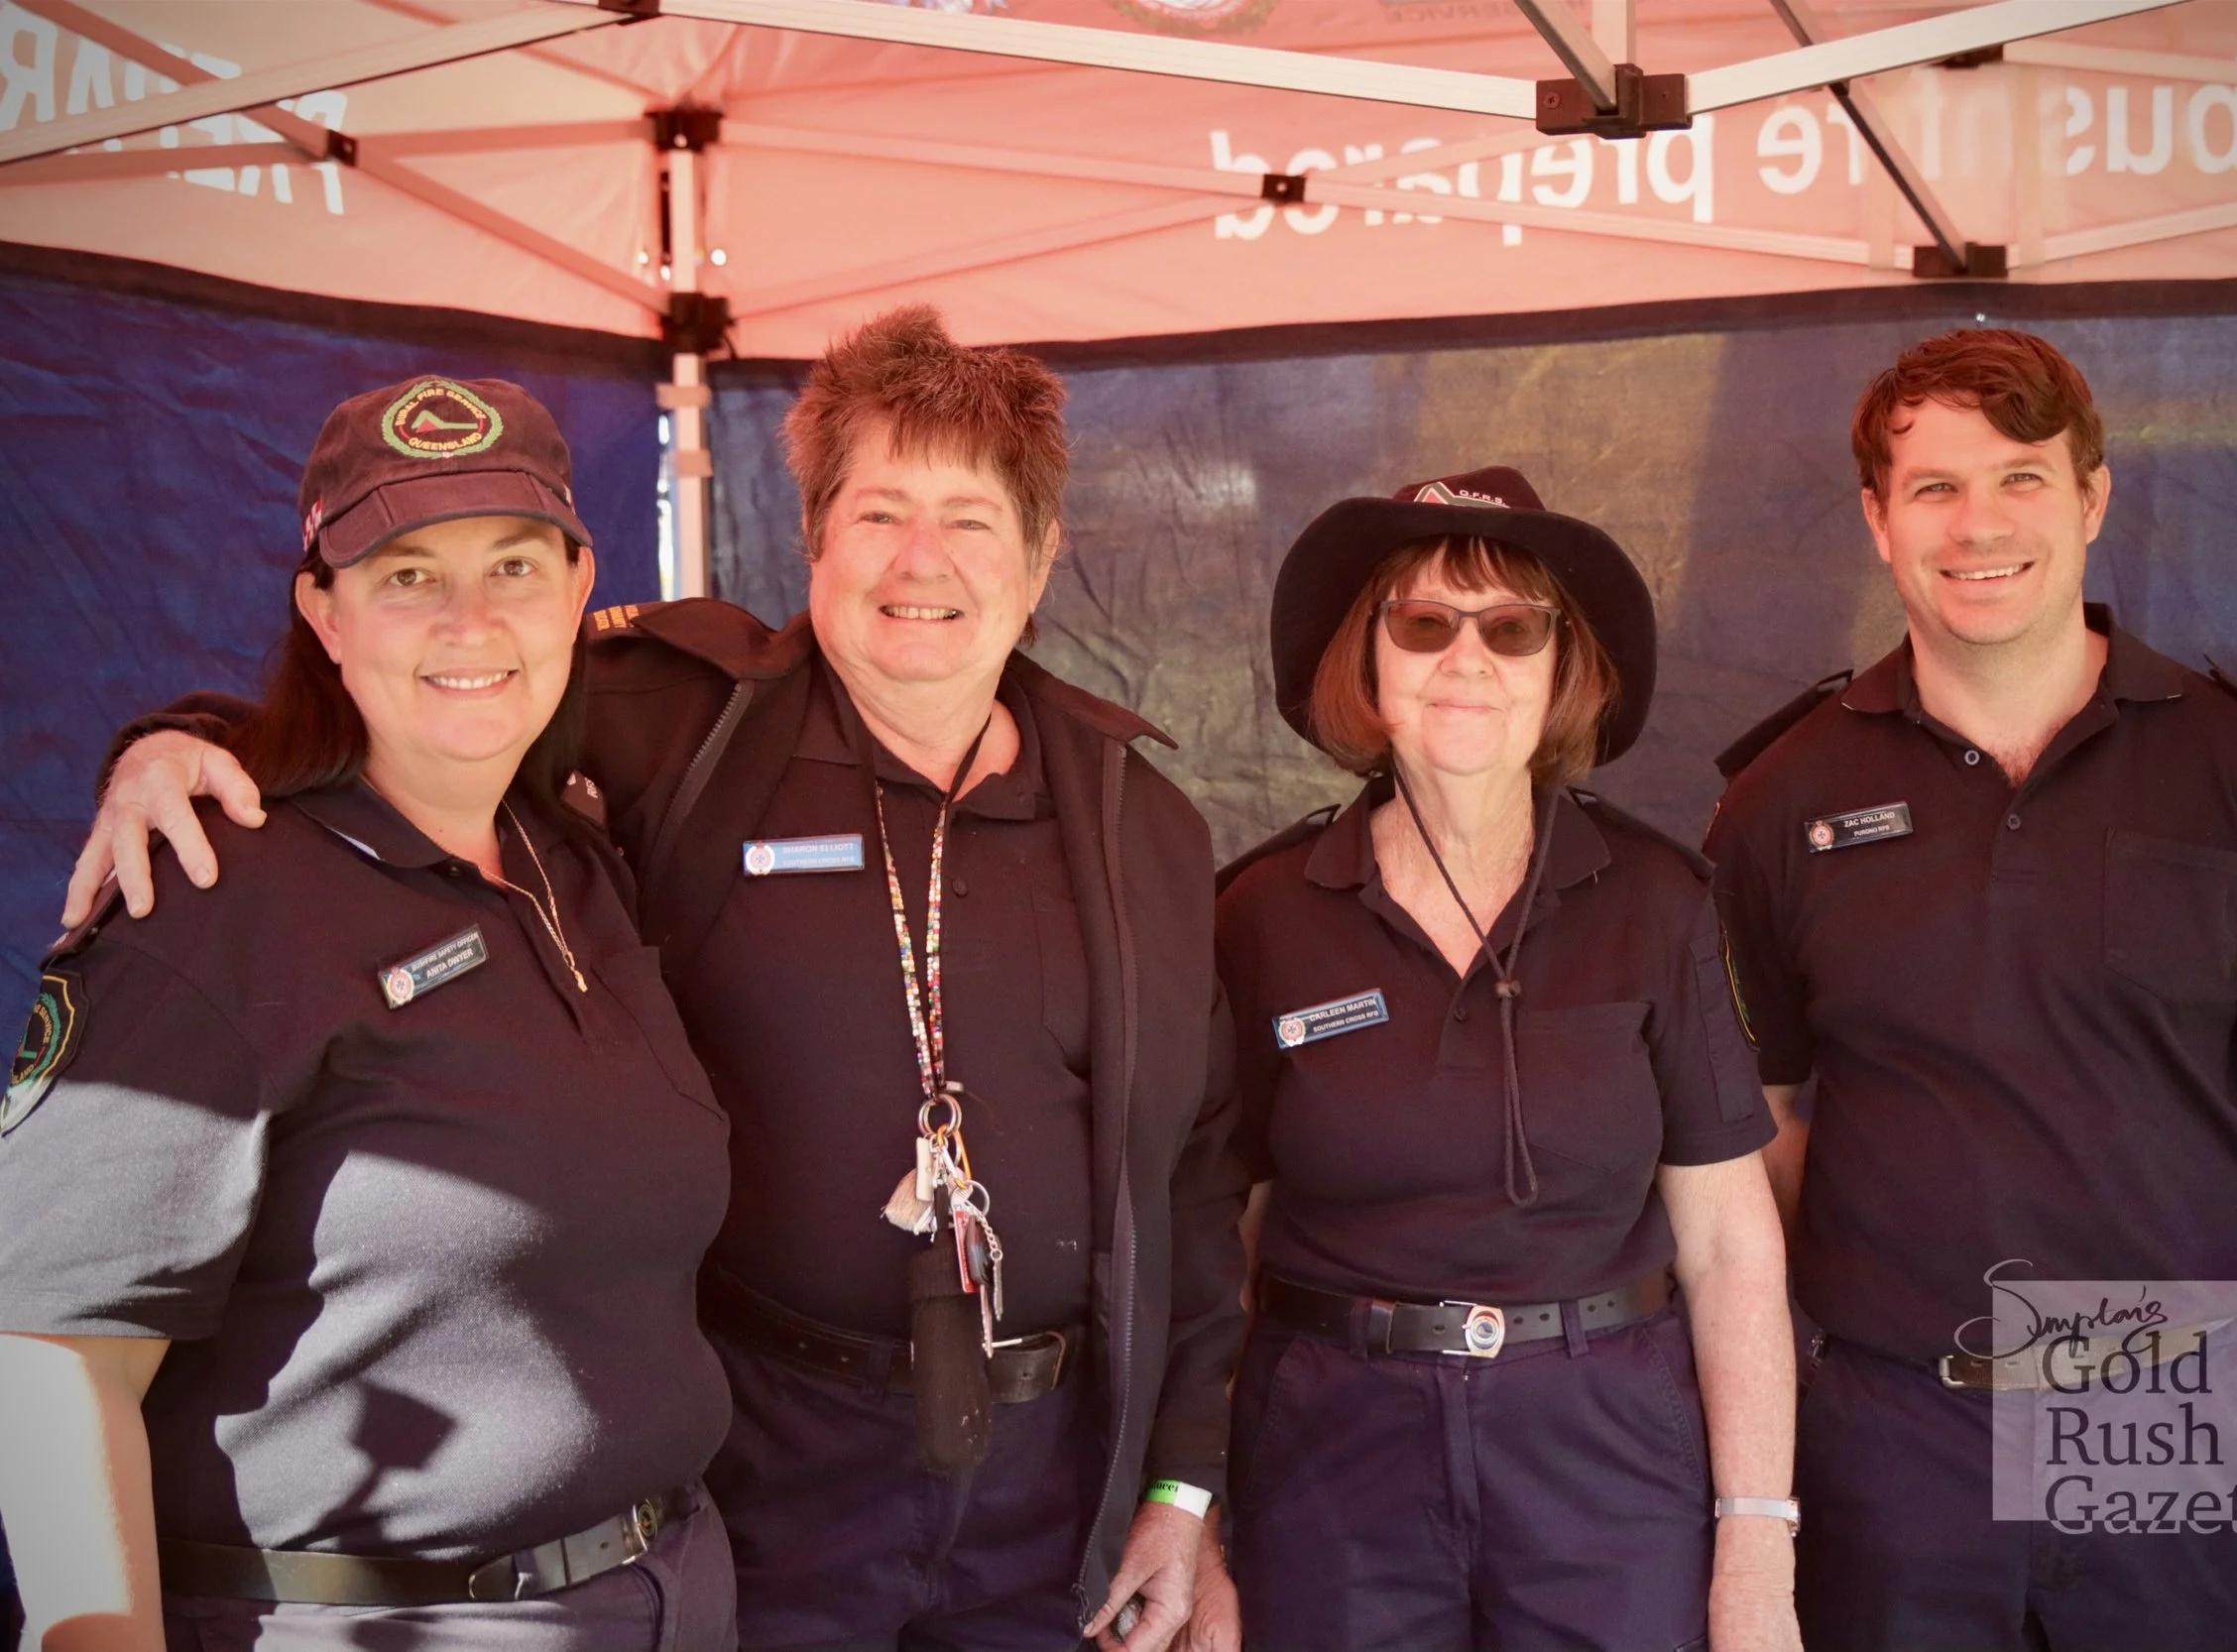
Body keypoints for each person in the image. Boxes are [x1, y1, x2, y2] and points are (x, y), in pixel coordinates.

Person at [71, 308, 1245, 1652]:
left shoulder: (1138, 815)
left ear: (1042, 557)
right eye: (878, 513)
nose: (921, 562)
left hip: (1052, 1482)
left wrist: (1182, 1483)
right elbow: (436, 694)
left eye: (971, 519)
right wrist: (181, 742)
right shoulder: (674, 719)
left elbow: (1197, 1175)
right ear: (809, 537)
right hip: (762, 1464)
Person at [0, 376, 738, 1649]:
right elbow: (52, 1353)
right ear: (323, 612)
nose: (470, 619)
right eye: (405, 574)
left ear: (577, 587)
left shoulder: (573, 861)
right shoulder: (219, 901)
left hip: (667, 1591)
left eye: (512, 564)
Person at [1703, 329, 2237, 1651]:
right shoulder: (1778, 802)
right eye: (1934, 487)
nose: (1980, 526)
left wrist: (2234, 1313)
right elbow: (1761, 1107)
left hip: (2175, 1391)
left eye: (2021, 478)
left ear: (2092, 496)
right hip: (1897, 1415)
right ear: (1876, 516)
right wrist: (1893, 1276)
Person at [1211, 468, 1801, 1652]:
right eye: (1424, 623)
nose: (1465, 659)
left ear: (1558, 668)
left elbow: (1731, 1239)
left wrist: (1754, 1550)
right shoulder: (1262, 911)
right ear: (1367, 665)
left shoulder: (1657, 900)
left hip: (1607, 1456)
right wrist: (1197, 1520)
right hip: (1332, 1459)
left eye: (1511, 628)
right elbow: (1210, 1238)